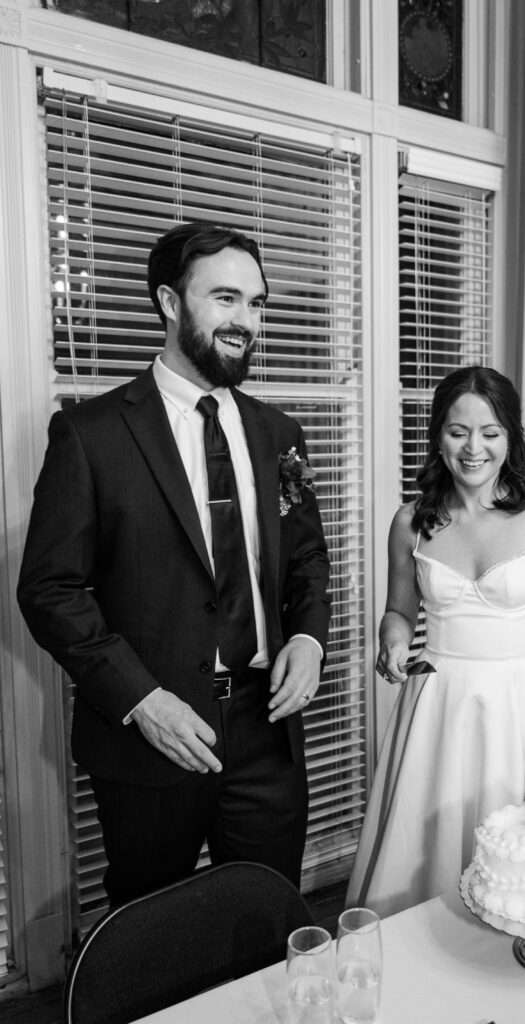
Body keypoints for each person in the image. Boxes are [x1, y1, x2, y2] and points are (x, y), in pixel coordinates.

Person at [17, 221, 331, 905]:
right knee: (150, 932)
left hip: (266, 728)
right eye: (224, 298)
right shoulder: (90, 434)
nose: (246, 320)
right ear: (168, 301)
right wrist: (142, 699)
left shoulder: (279, 433)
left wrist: (308, 639)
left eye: (256, 303)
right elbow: (50, 588)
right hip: (152, 736)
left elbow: (306, 556)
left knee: (267, 915)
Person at [346, 365, 525, 917]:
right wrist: (392, 641)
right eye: (458, 431)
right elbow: (399, 612)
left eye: (489, 432)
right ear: (439, 436)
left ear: (509, 438)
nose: (473, 448)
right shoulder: (410, 522)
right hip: (439, 715)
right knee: (431, 871)